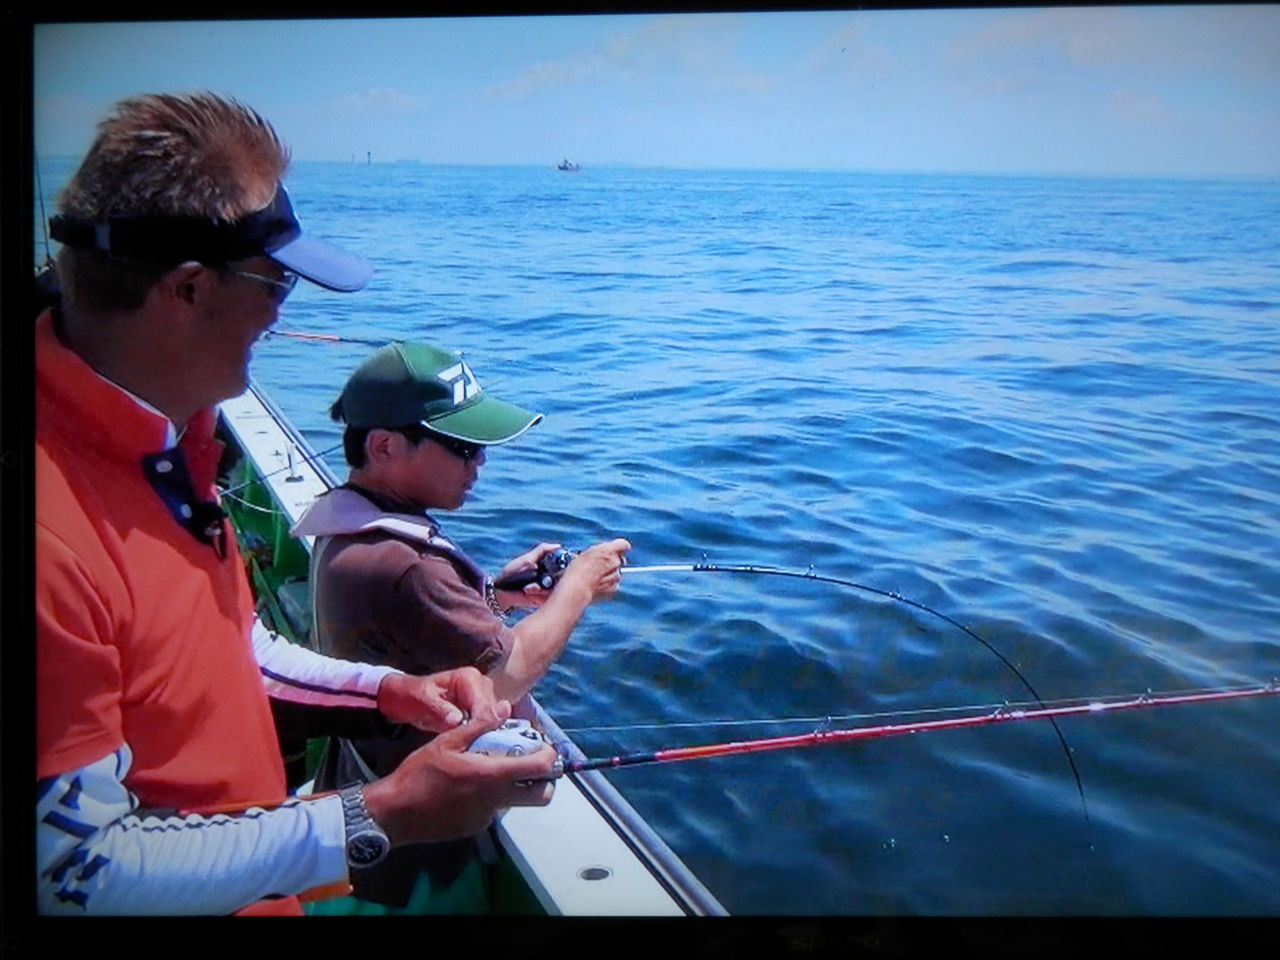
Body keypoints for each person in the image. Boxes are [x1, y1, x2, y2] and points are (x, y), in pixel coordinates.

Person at [35, 92, 558, 917]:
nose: (284, 313)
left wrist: (385, 691)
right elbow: (72, 877)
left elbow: (231, 648)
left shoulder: (171, 441)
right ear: (187, 289)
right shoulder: (48, 538)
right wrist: (380, 813)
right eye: (276, 282)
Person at [290, 340, 630, 911]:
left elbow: (402, 630)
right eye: (463, 447)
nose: (480, 464)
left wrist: (492, 597)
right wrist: (579, 586)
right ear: (384, 446)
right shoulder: (407, 565)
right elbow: (506, 677)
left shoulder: (348, 523)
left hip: (360, 816)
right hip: (412, 867)